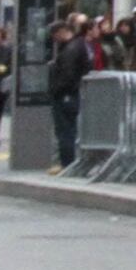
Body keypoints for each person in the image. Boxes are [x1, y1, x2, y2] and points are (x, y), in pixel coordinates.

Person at [45, 13, 88, 169]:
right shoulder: (76, 45)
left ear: (62, 32)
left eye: (55, 36)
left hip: (66, 95)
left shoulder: (71, 49)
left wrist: (56, 90)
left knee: (65, 131)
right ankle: (68, 162)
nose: (55, 40)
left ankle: (67, 163)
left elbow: (68, 75)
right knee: (68, 130)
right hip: (70, 93)